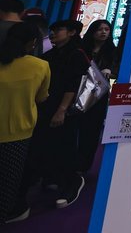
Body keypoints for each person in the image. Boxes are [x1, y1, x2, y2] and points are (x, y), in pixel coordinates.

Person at [34, 20, 89, 209]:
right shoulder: (51, 54)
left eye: (58, 30)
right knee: (48, 143)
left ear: (72, 32)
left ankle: (71, 182)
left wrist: (62, 110)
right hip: (47, 105)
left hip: (66, 109)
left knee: (65, 145)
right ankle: (52, 177)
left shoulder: (77, 54)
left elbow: (73, 84)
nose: (53, 33)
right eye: (52, 30)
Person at [0, 22, 49, 223]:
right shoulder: (41, 66)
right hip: (18, 133)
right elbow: (42, 97)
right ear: (33, 43)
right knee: (6, 185)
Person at [76, 19, 117, 174]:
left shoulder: (112, 51)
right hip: (78, 91)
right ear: (93, 31)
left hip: (98, 96)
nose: (104, 32)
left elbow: (117, 70)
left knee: (92, 131)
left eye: (107, 29)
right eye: (100, 29)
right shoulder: (82, 49)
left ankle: (83, 166)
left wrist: (110, 72)